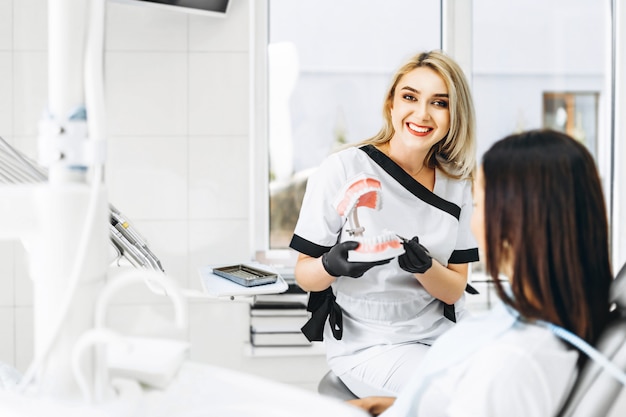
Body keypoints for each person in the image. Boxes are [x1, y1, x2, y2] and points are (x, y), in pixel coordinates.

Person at [348, 129, 614, 416]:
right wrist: (390, 406)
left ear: (510, 225)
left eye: (476, 204)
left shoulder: (513, 363)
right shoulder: (535, 324)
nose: (472, 221)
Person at [289, 50, 479, 397]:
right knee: (454, 395)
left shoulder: (457, 183)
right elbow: (304, 274)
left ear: (455, 116)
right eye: (410, 97)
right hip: (371, 343)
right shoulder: (344, 169)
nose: (421, 113)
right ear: (391, 104)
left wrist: (424, 268)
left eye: (439, 103)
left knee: (505, 384)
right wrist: (333, 265)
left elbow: (454, 289)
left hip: (443, 332)